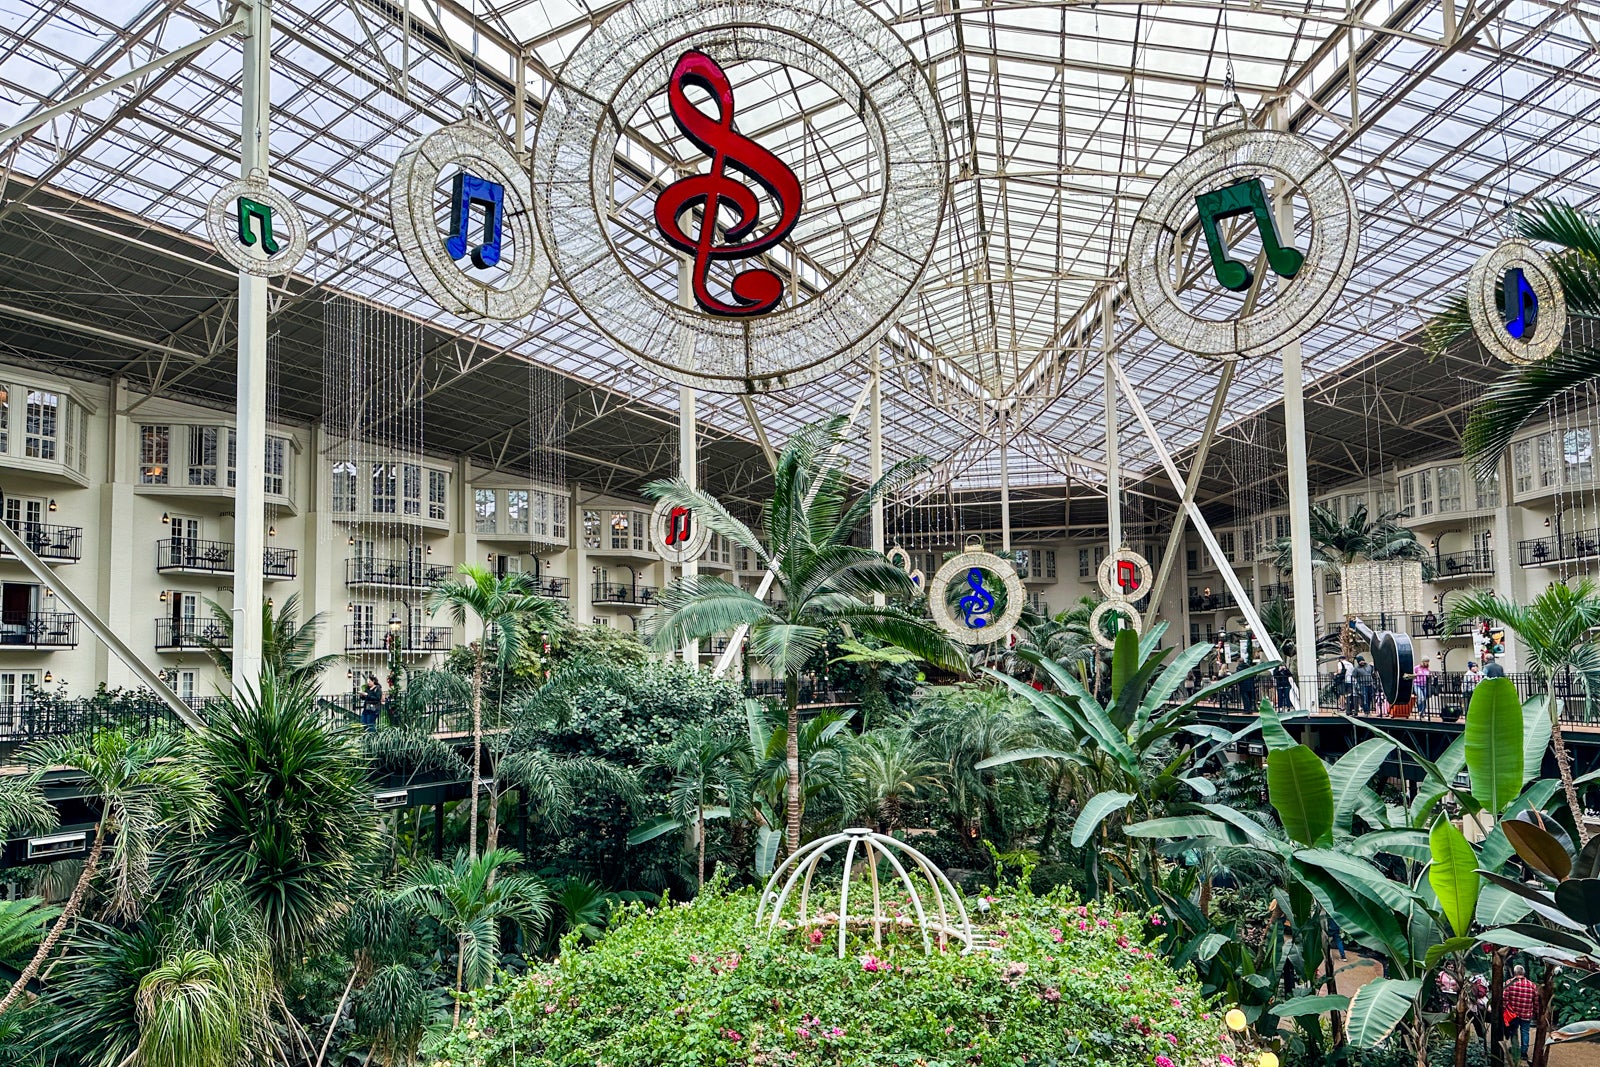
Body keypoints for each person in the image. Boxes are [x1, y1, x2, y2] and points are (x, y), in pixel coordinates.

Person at [1505, 964, 1541, 1059]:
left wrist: (1503, 1010)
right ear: (1523, 973)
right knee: (1525, 1032)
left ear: (1515, 973)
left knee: (1514, 1031)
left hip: (1512, 1014)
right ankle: (1524, 1053)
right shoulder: (1532, 985)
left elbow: (1504, 999)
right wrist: (1537, 1013)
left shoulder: (1509, 983)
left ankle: (1515, 1050)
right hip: (1526, 1014)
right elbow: (1536, 1002)